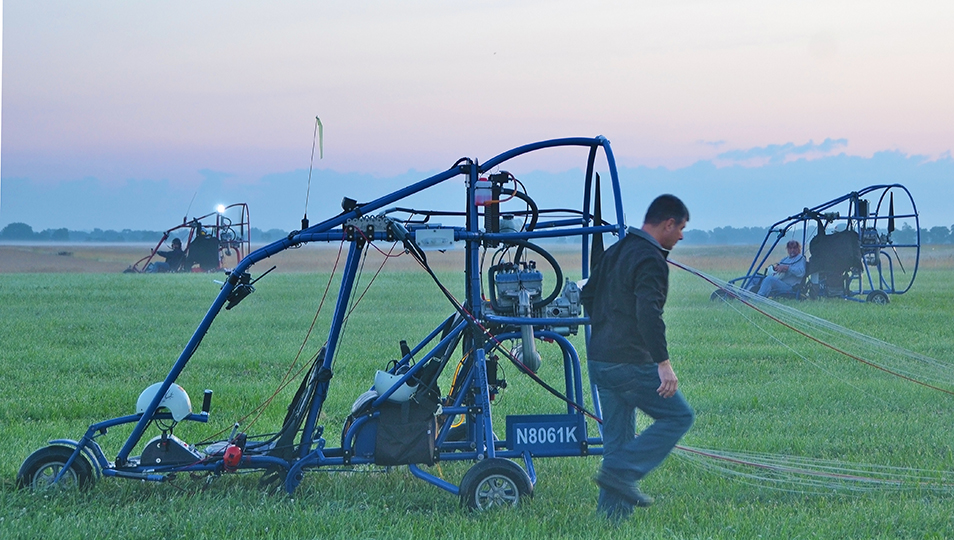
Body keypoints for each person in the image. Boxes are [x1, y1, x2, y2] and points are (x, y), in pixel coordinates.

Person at [582, 194, 695, 522]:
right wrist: (663, 363)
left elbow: (589, 295)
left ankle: (611, 521)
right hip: (629, 363)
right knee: (678, 417)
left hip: (600, 361)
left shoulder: (616, 250)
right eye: (682, 228)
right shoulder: (651, 259)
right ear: (668, 223)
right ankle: (622, 471)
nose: (682, 236)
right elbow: (648, 311)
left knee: (617, 441)